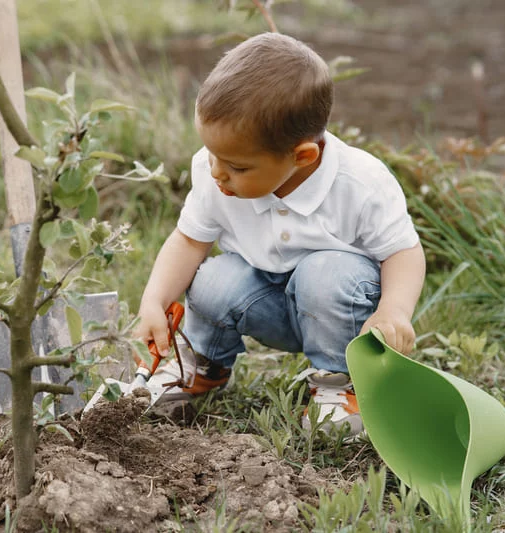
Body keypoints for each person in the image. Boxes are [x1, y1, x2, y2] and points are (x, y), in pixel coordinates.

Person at [135, 32, 426, 435]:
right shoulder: (214, 172)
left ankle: (340, 382)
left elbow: (403, 252)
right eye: (212, 155)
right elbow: (189, 240)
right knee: (214, 280)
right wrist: (155, 298)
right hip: (264, 302)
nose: (217, 171)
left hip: (338, 308)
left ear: (302, 156)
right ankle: (203, 362)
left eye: (236, 166)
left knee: (323, 272)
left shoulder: (360, 184)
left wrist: (393, 310)